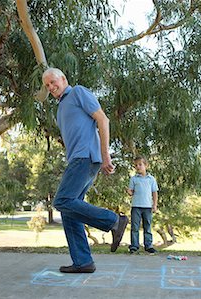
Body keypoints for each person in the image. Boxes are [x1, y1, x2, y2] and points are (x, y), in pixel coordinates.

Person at [42, 67, 128, 274]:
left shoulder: (78, 92)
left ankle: (114, 221)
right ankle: (83, 262)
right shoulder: (61, 106)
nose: (52, 87)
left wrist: (105, 154)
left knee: (62, 201)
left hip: (86, 157)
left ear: (64, 79)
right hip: (77, 159)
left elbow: (103, 119)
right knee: (70, 211)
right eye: (47, 85)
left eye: (54, 82)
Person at [126, 156, 158, 254]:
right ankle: (134, 245)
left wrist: (155, 205)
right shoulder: (134, 179)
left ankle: (148, 245)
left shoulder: (151, 179)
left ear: (146, 165)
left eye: (140, 164)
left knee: (147, 226)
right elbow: (131, 192)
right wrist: (128, 192)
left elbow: (154, 192)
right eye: (136, 165)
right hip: (136, 206)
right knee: (135, 227)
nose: (138, 167)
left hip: (147, 206)